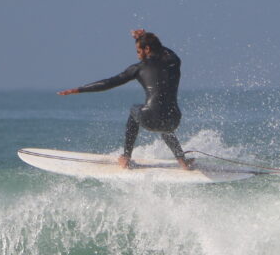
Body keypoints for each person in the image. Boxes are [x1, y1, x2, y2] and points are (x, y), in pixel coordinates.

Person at [59, 29, 192, 170]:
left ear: (147, 49)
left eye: (138, 50)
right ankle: (183, 162)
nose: (137, 54)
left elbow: (109, 82)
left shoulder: (138, 68)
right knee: (165, 122)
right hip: (173, 120)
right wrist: (145, 37)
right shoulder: (174, 62)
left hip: (150, 119)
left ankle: (126, 157)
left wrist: (80, 89)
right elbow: (166, 52)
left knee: (134, 110)